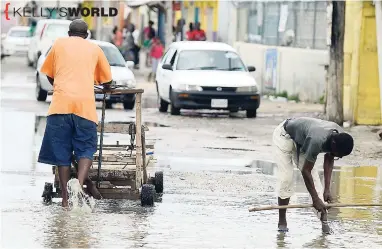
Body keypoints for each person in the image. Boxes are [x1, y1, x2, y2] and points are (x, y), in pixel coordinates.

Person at [38, 19, 112, 208]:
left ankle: (65, 199)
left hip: (60, 106)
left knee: (62, 154)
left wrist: (60, 83)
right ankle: (78, 185)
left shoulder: (59, 44)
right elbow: (107, 81)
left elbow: (48, 73)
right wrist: (106, 86)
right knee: (86, 148)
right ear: (86, 35)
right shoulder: (95, 49)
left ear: (69, 33)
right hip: (84, 108)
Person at [272, 117, 354, 233]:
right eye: (338, 155)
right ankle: (282, 220)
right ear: (333, 144)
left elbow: (329, 159)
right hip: (284, 136)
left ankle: (324, 222)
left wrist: (327, 190)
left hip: (303, 142)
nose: (338, 157)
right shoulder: (317, 140)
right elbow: (306, 171)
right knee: (286, 178)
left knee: (315, 182)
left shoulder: (339, 136)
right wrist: (315, 199)